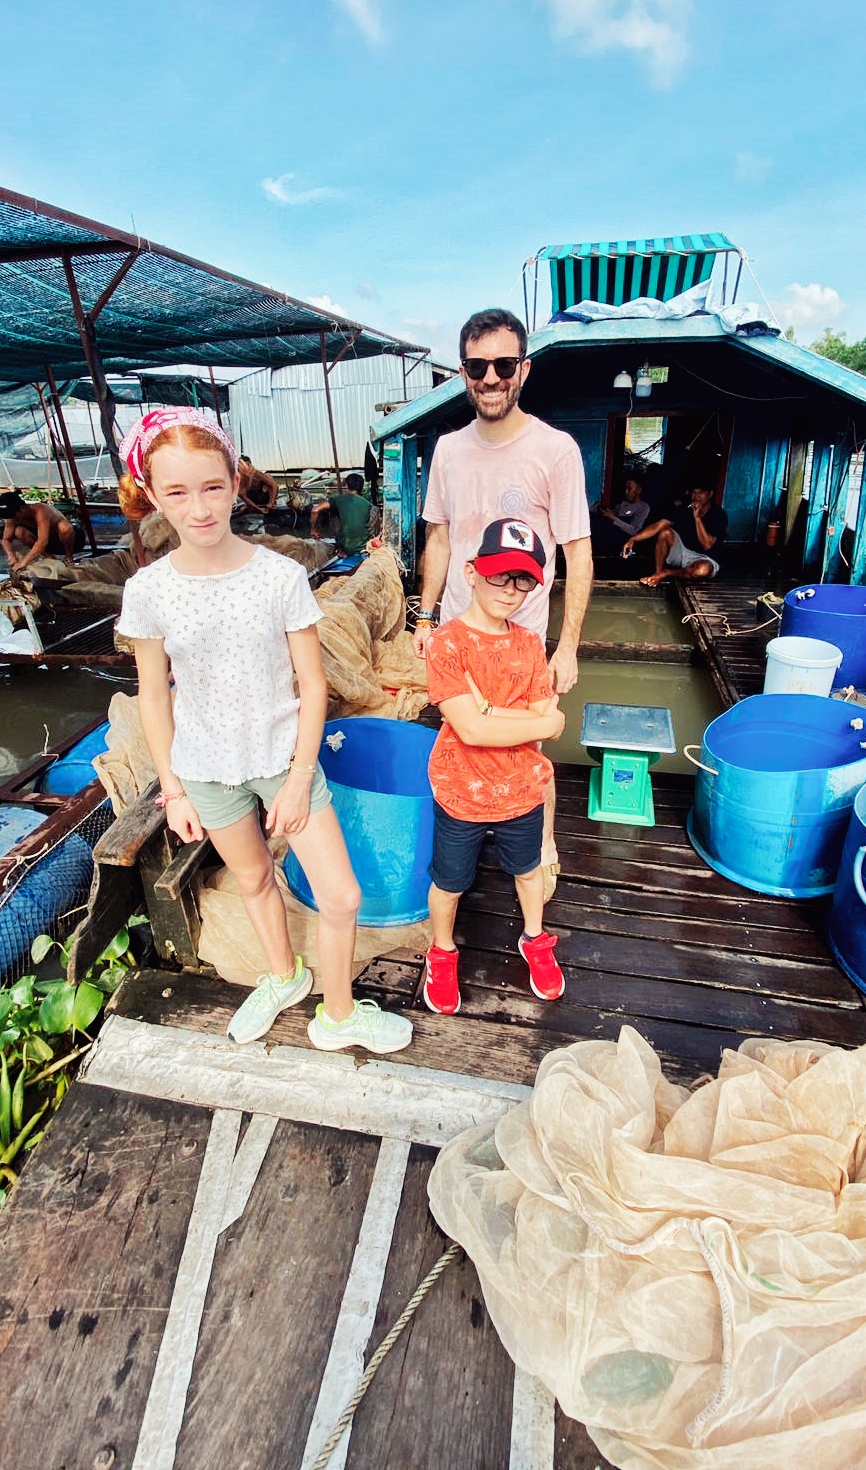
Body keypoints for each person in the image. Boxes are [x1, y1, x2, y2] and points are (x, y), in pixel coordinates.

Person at [114, 406, 412, 1056]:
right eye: (177, 492)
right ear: (153, 496)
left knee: (339, 895)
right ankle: (284, 976)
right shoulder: (149, 591)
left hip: (283, 757)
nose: (198, 509)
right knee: (251, 879)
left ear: (234, 478)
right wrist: (173, 789)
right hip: (204, 769)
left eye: (212, 486)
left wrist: (302, 777)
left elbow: (313, 685)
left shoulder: (278, 576)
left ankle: (337, 1016)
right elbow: (154, 699)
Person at [411, 307, 592, 887]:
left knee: (530, 745)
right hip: (463, 635)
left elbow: (578, 551)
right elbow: (439, 538)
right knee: (463, 741)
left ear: (524, 370)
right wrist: (424, 615)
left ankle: (541, 844)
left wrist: (567, 648)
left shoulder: (555, 449)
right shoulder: (447, 450)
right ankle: (463, 845)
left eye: (504, 364)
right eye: (477, 366)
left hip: (527, 637)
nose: (490, 378)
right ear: (463, 371)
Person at [422, 518, 567, 1015]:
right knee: (450, 881)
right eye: (499, 575)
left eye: (523, 579)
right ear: (471, 571)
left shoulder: (529, 643)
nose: (510, 589)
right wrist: (531, 723)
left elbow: (545, 715)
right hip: (461, 791)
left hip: (521, 789)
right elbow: (475, 732)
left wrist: (489, 709)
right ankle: (442, 951)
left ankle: (534, 938)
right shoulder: (447, 643)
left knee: (528, 872)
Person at [621, 485, 728, 587]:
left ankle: (667, 573)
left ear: (710, 494)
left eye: (701, 492)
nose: (696, 496)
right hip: (683, 551)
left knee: (702, 570)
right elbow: (659, 524)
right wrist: (633, 538)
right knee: (664, 532)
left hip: (705, 558)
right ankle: (657, 574)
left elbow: (707, 545)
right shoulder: (684, 509)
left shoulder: (718, 515)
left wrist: (697, 518)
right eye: (694, 492)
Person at [0, 490, 80, 571]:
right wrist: (11, 556)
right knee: (19, 531)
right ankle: (49, 557)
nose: (11, 518)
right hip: (46, 543)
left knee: (64, 527)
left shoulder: (40, 510)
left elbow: (42, 542)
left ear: (22, 508)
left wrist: (23, 562)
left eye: (13, 515)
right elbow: (6, 539)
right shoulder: (12, 518)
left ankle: (69, 557)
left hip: (69, 540)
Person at [310, 473, 372, 554]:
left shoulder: (338, 499)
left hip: (345, 546)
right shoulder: (367, 504)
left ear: (346, 485)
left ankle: (341, 551)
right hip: (363, 547)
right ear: (361, 487)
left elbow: (315, 510)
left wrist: (313, 530)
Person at [590, 476, 650, 554]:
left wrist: (613, 518)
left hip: (617, 537)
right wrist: (603, 509)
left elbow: (634, 530)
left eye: (629, 489)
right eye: (626, 488)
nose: (626, 492)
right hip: (607, 530)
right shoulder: (623, 504)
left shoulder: (643, 507)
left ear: (639, 490)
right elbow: (612, 513)